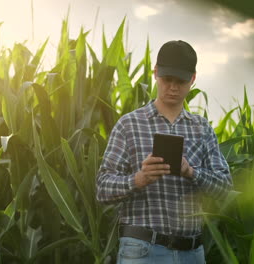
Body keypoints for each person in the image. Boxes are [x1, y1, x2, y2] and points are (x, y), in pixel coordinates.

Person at [96, 40, 232, 264]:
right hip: (141, 251)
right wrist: (138, 179)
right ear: (156, 73)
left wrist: (191, 172)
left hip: (192, 253)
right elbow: (102, 188)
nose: (173, 87)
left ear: (193, 79)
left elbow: (226, 189)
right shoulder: (129, 125)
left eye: (181, 81)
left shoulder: (202, 128)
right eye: (167, 79)